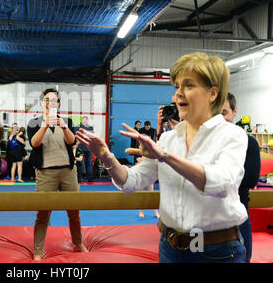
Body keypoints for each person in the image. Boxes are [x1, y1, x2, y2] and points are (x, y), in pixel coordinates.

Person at [76, 52, 248, 263]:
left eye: (188, 86)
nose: (178, 95)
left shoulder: (232, 135)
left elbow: (220, 184)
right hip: (170, 246)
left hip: (216, 251)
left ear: (212, 93)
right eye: (176, 87)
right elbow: (131, 182)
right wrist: (107, 157)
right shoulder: (167, 138)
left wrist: (165, 156)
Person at [27, 88, 88, 261]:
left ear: (59, 104)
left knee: (74, 211)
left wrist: (62, 125)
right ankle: (38, 251)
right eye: (47, 100)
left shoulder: (67, 121)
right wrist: (46, 124)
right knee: (43, 213)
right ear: (41, 103)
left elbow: (72, 141)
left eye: (54, 100)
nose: (50, 103)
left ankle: (78, 242)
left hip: (68, 171)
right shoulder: (34, 123)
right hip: (46, 173)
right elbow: (34, 143)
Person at [222, 92, 260, 263]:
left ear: (234, 111)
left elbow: (251, 179)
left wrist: (211, 179)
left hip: (238, 215)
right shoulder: (203, 142)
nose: (219, 119)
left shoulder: (248, 142)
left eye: (224, 113)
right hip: (206, 219)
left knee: (243, 258)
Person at [78, 116, 94, 182]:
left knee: (89, 163)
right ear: (82, 120)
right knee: (79, 162)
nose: (85, 121)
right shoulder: (77, 127)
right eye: (84, 120)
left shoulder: (90, 127)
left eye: (86, 120)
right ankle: (80, 178)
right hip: (79, 148)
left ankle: (89, 178)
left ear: (87, 121)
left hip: (88, 148)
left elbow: (92, 137)